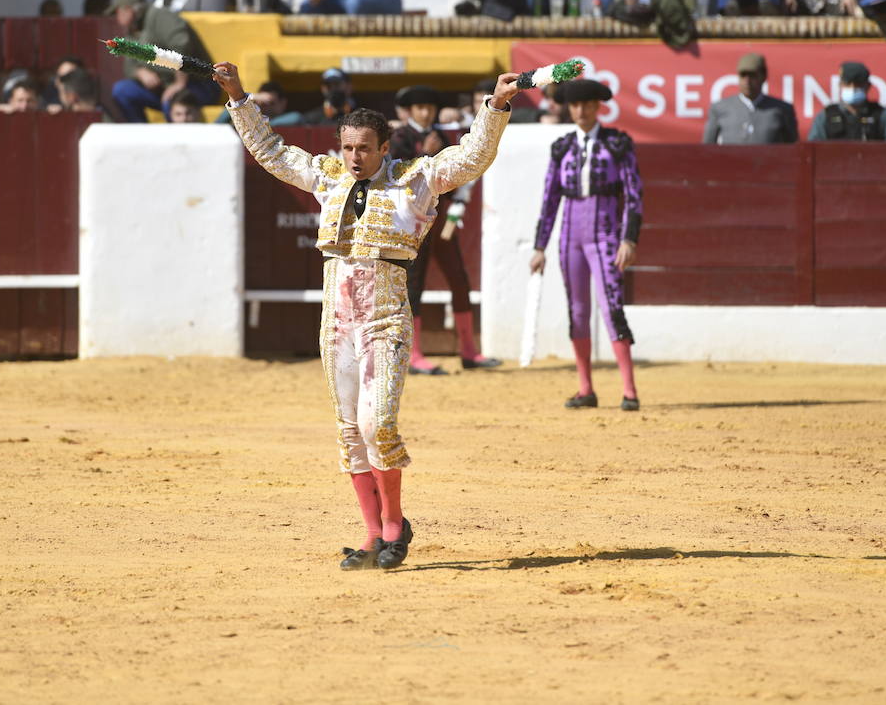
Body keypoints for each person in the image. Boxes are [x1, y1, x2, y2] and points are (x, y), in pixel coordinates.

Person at [216, 59, 516, 572]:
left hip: (385, 317)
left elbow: (470, 158)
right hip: (336, 319)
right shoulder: (328, 177)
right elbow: (269, 150)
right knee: (349, 429)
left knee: (378, 423)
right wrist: (239, 95)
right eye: (347, 147)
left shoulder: (415, 180)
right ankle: (373, 535)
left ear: (383, 149)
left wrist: (496, 107)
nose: (353, 157)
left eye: (363, 149)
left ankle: (396, 525)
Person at [529, 79, 643, 412]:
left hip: (606, 234)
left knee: (612, 307)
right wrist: (540, 246)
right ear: (569, 108)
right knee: (577, 311)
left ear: (598, 107)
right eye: (575, 105)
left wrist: (629, 238)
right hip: (570, 238)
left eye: (587, 104)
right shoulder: (562, 146)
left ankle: (630, 390)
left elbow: (634, 196)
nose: (581, 110)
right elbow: (549, 199)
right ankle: (585, 389)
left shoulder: (618, 144)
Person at [389, 85, 501, 376]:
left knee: (459, 280)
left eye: (429, 107)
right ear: (410, 111)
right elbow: (397, 176)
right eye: (420, 108)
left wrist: (458, 203)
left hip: (439, 220)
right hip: (413, 221)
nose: (426, 113)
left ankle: (468, 352)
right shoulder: (400, 138)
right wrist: (424, 156)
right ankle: (413, 355)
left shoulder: (443, 137)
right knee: (414, 284)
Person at [108, 0, 220, 120]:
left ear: (128, 10)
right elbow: (129, 66)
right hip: (164, 88)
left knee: (173, 104)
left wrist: (179, 83)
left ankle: (177, 141)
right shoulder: (132, 31)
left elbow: (181, 44)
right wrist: (140, 72)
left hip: (198, 84)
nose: (116, 18)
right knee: (122, 90)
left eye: (117, 13)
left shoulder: (159, 16)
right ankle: (141, 138)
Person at [703, 53, 799, 144]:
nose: (747, 81)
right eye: (743, 75)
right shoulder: (720, 108)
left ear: (763, 76)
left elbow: (793, 150)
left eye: (752, 75)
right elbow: (707, 149)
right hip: (731, 161)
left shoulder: (782, 109)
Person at [806, 62, 886, 141]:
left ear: (868, 86)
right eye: (847, 84)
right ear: (840, 85)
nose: (852, 88)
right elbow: (813, 149)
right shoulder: (826, 116)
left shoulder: (884, 116)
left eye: (858, 85)